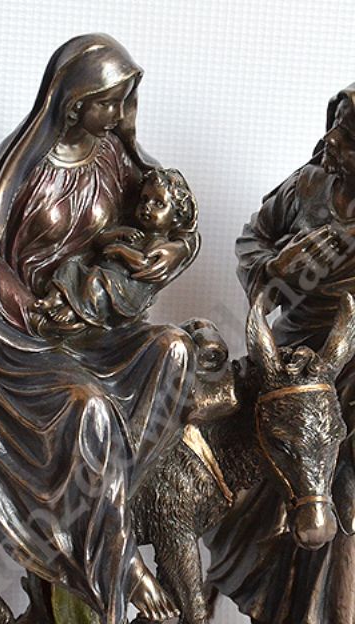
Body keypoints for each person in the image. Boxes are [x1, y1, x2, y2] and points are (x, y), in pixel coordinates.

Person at [0, 34, 200, 624]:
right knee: (87, 406)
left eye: (124, 101)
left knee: (175, 349)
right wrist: (37, 312)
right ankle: (116, 561)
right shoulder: (23, 165)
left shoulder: (116, 157)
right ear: (74, 104)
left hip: (100, 331)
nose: (120, 114)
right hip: (32, 339)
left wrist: (178, 250)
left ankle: (105, 503)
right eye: (109, 102)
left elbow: (170, 216)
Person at [205, 84, 355, 623]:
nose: (333, 140)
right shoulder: (307, 186)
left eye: (350, 137)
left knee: (342, 483)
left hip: (350, 370)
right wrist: (276, 268)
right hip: (291, 357)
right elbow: (254, 240)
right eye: (335, 125)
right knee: (241, 456)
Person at [33, 167, 198, 329]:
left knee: (95, 284)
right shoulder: (133, 231)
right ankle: (55, 297)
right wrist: (116, 234)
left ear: (176, 217)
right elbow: (100, 242)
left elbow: (144, 263)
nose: (147, 206)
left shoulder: (159, 244)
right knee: (70, 267)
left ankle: (77, 311)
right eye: (144, 200)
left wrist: (121, 251)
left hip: (122, 290)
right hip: (101, 274)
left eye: (158, 203)